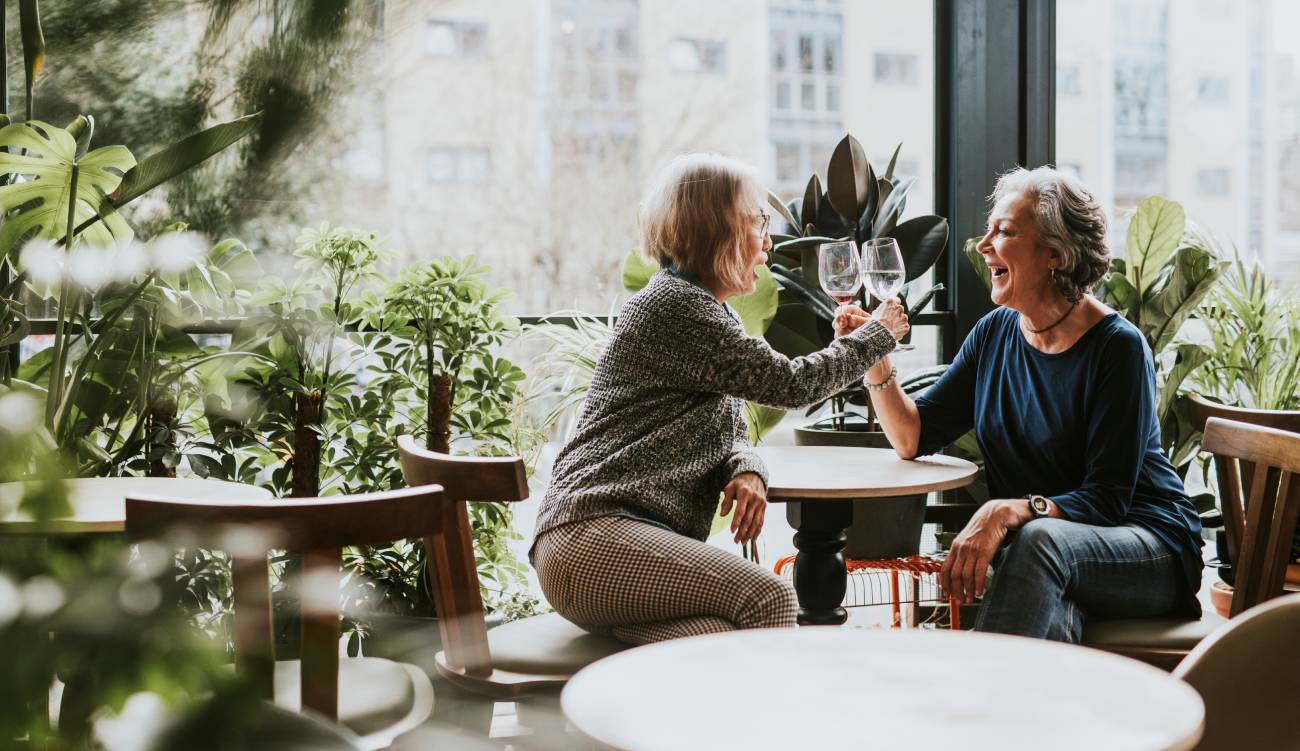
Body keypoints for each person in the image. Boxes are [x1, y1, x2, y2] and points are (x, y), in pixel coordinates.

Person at [530, 153, 909, 645]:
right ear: (719, 231)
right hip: (593, 537)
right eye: (758, 223)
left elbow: (729, 427)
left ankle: (638, 715)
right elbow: (793, 385)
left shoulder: (700, 310)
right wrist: (878, 335)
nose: (768, 242)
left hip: (593, 542)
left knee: (716, 639)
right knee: (770, 598)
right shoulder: (677, 307)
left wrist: (747, 467)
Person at [838, 166, 1203, 642]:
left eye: (1004, 231)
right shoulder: (995, 334)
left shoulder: (1118, 347)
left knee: (1037, 541)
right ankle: (1017, 708)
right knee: (1049, 612)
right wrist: (874, 357)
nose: (984, 244)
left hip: (1146, 547)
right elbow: (912, 436)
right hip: (1051, 555)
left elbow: (1107, 502)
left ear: (1055, 254)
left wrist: (1004, 511)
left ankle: (979, 700)